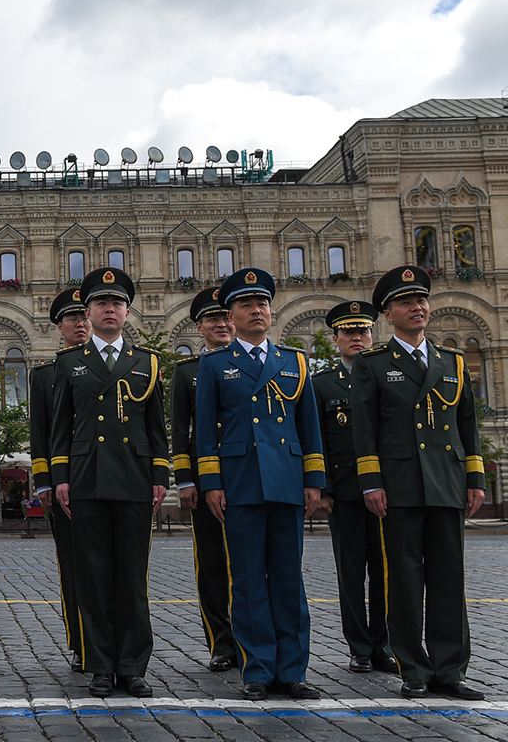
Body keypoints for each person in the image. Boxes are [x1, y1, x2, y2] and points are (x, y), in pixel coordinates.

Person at [351, 265, 485, 700]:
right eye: (407, 302)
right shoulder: (372, 364)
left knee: (449, 579)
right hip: (400, 484)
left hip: (446, 482)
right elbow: (364, 429)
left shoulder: (453, 362)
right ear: (388, 314)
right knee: (404, 580)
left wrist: (475, 478)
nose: (418, 307)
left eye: (422, 300)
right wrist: (371, 482)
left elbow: (468, 426)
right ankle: (413, 668)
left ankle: (450, 669)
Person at [195, 267, 325, 701]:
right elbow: (206, 432)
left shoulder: (295, 362)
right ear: (231, 316)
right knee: (248, 581)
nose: (257, 310)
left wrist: (314, 481)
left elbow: (309, 427)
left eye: (262, 303)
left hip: (287, 481)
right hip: (241, 482)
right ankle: (257, 670)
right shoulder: (214, 364)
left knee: (289, 579)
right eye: (247, 305)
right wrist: (211, 482)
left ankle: (293, 670)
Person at [49, 267, 169, 698]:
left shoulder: (147, 363)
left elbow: (157, 428)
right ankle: (101, 665)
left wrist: (160, 475)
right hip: (87, 478)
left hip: (135, 479)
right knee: (94, 577)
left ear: (127, 312)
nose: (109, 309)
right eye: (101, 303)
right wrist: (60, 478)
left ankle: (133, 665)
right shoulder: (69, 363)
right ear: (89, 311)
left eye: (117, 303)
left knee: (133, 578)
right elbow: (60, 429)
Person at [312, 302, 397, 676]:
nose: (357, 338)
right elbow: (318, 440)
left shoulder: (386, 375)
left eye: (363, 331)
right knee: (351, 573)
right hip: (344, 490)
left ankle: (384, 645)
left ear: (372, 335)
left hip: (385, 490)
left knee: (385, 571)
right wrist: (324, 489)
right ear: (336, 340)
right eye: (348, 332)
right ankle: (359, 647)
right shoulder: (322, 384)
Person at [169, 286, 236, 672]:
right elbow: (181, 430)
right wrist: (185, 479)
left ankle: (251, 639)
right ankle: (221, 643)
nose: (222, 323)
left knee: (249, 564)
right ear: (200, 327)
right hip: (205, 478)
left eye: (226, 317)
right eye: (213, 318)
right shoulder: (188, 371)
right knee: (211, 564)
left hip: (248, 475)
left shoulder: (255, 362)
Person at [28, 285, 89, 672]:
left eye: (84, 316)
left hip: (105, 479)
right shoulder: (45, 375)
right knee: (72, 565)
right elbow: (40, 432)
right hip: (65, 484)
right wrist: (44, 481)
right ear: (59, 328)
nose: (80, 323)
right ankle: (81, 641)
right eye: (72, 318)